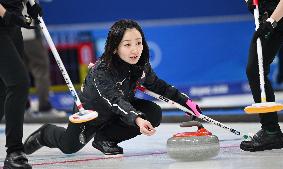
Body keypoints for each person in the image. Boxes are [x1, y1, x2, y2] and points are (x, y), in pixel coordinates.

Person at [23, 19, 202, 156]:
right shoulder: (102, 70)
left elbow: (158, 86)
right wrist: (137, 119)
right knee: (69, 147)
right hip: (92, 115)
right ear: (115, 48)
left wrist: (185, 101)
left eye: (139, 43)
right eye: (128, 45)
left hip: (120, 112)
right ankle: (44, 133)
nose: (135, 50)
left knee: (154, 112)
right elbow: (114, 101)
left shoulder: (141, 64)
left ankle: (105, 139)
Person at [0, 0, 42, 168]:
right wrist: (6, 14)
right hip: (4, 20)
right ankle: (14, 151)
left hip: (12, 26)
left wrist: (31, 3)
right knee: (18, 83)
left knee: (3, 90)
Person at [241, 0, 283, 152]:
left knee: (255, 69)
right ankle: (271, 131)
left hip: (277, 18)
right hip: (270, 19)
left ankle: (271, 131)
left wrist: (271, 22)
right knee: (255, 70)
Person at [22, 20, 66, 118]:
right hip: (29, 32)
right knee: (41, 70)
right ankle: (44, 108)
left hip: (13, 33)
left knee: (20, 72)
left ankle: (24, 109)